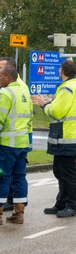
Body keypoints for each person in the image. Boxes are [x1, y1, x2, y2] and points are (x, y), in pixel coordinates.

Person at [32, 59, 76, 218]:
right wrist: (51, 103)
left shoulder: (67, 88)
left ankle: (71, 206)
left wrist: (44, 105)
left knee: (68, 174)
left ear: (63, 71)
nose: (58, 72)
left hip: (66, 136)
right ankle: (61, 203)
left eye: (59, 69)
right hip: (71, 135)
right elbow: (65, 108)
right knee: (60, 170)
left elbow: (56, 112)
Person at [0, 65, 33, 224]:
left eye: (0, 76)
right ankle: (19, 213)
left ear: (7, 77)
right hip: (22, 143)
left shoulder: (5, 93)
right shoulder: (25, 91)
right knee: (20, 177)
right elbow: (29, 119)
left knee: (2, 177)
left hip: (6, 145)